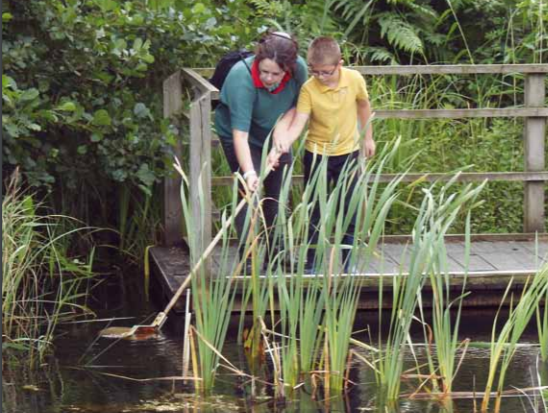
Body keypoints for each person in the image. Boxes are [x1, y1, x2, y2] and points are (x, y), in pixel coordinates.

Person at [268, 36, 375, 273]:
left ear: (340, 64)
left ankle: (348, 263)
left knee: (349, 208)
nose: (320, 77)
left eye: (326, 72)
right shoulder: (308, 89)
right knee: (315, 210)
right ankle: (312, 263)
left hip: (348, 153)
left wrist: (368, 137)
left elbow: (364, 106)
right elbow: (299, 123)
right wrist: (282, 144)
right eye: (315, 72)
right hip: (317, 154)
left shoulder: (354, 79)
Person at [214, 31, 308, 269]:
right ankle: (247, 258)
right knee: (249, 193)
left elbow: (298, 106)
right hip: (240, 134)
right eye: (264, 71)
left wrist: (281, 133)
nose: (268, 78)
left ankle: (278, 253)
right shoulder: (241, 78)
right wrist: (249, 173)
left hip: (276, 130)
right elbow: (240, 135)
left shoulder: (299, 70)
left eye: (275, 73)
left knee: (277, 193)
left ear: (288, 68)